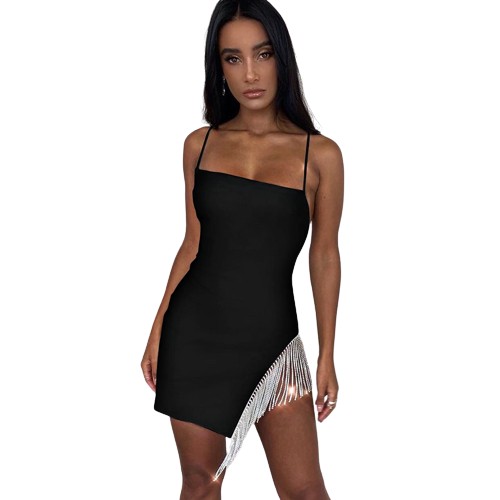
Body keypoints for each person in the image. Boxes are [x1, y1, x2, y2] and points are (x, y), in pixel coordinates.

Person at [141, 0, 344, 497]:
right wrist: (158, 327)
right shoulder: (199, 145)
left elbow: (324, 255)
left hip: (274, 346)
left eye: (263, 54)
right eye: (233, 58)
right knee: (200, 483)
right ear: (219, 68)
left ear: (282, 58)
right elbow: (193, 243)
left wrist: (327, 354)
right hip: (195, 337)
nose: (250, 73)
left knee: (306, 491)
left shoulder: (320, 155)